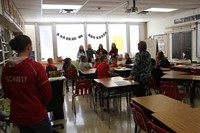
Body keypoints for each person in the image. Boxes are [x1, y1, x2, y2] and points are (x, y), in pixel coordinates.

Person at [1, 35, 53, 133]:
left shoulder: (6, 69)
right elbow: (47, 93)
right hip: (37, 115)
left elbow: (7, 92)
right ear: (28, 47)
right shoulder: (36, 67)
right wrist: (39, 106)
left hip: (19, 116)